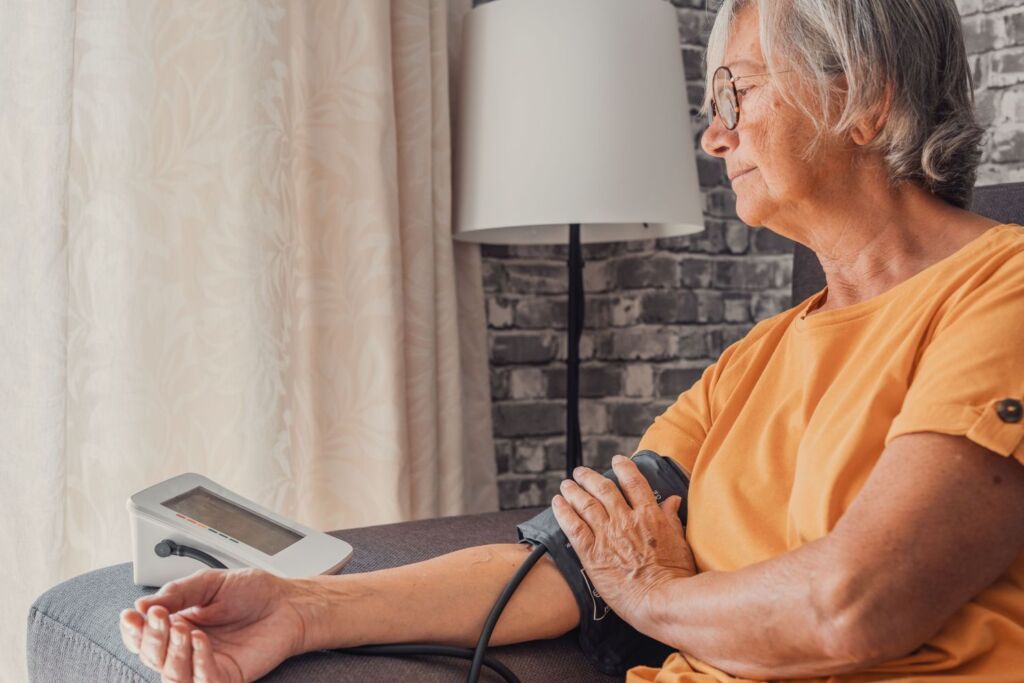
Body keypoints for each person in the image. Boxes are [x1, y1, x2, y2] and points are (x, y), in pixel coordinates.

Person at [118, 0, 1024, 681]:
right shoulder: (757, 360)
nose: (715, 135)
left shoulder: (1003, 290)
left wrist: (654, 595)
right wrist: (302, 608)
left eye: (736, 91)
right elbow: (566, 557)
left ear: (864, 98)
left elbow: (852, 605)